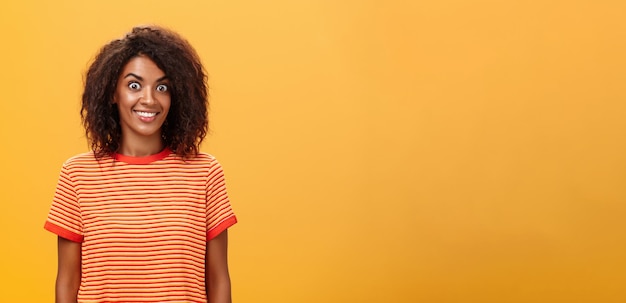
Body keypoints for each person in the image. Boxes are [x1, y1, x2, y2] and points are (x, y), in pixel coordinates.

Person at [44, 25, 237, 303]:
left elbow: (218, 280)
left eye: (162, 87)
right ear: (113, 93)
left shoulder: (204, 173)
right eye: (134, 85)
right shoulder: (77, 175)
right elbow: (67, 282)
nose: (149, 99)